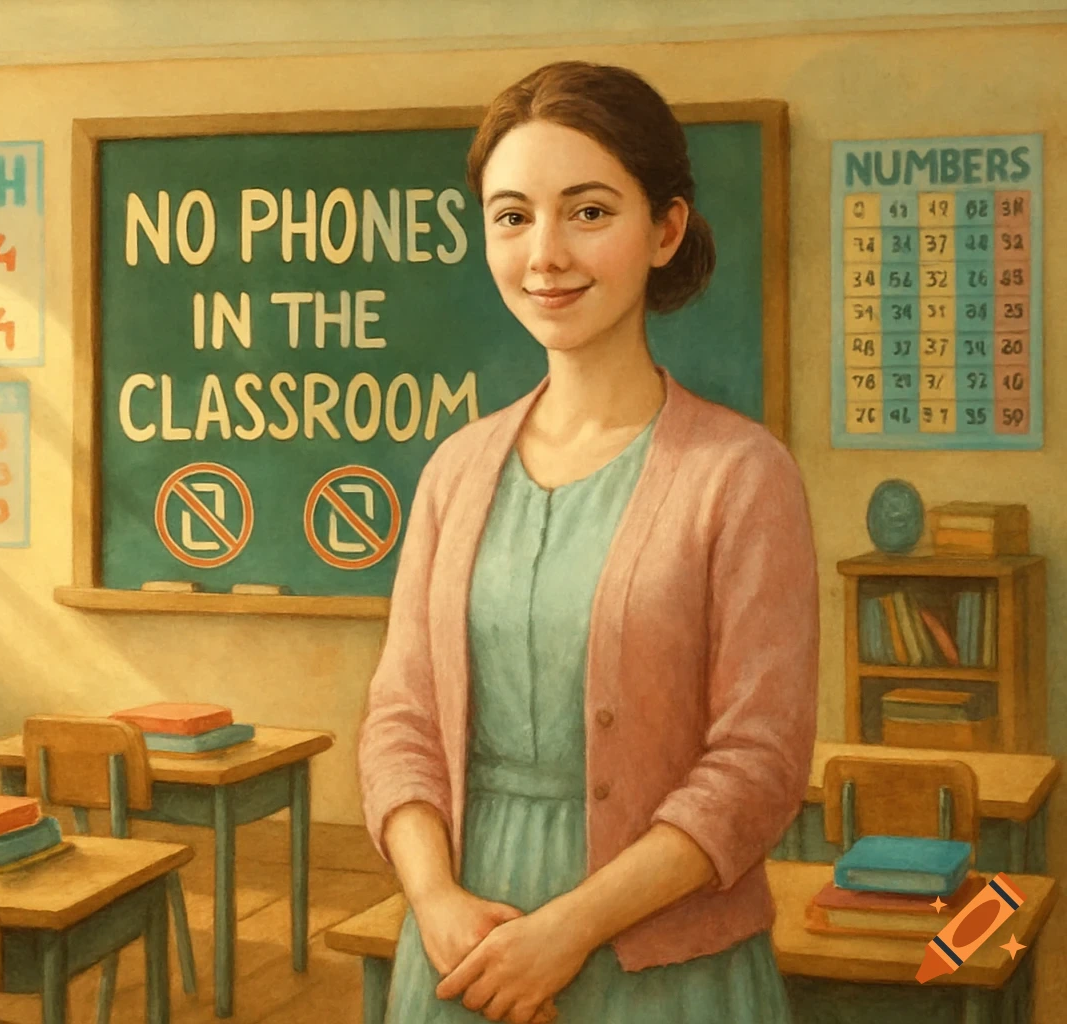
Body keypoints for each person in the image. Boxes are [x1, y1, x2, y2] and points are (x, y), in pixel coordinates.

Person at [355, 60, 819, 1024]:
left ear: (667, 229)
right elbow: (401, 720)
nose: (546, 255)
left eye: (590, 212)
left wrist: (568, 931)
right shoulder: (455, 470)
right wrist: (435, 901)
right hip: (463, 952)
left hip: (661, 959)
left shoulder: (742, 474)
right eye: (513, 216)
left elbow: (759, 766)